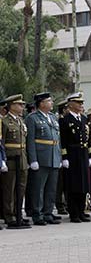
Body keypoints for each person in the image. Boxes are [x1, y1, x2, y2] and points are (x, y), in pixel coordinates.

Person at [25, 93, 62, 226]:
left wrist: (60, 157)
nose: (51, 103)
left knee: (51, 188)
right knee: (38, 188)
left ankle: (48, 212)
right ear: (41, 103)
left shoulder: (52, 117)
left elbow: (58, 139)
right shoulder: (32, 118)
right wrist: (33, 159)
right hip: (41, 157)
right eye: (49, 101)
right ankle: (37, 214)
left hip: (54, 156)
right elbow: (30, 141)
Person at [59, 92, 91, 224]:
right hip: (72, 153)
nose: (81, 105)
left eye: (81, 103)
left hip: (82, 153)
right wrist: (64, 156)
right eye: (78, 103)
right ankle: (74, 213)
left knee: (83, 184)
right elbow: (63, 140)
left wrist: (89, 155)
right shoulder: (65, 120)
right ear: (70, 104)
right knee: (73, 185)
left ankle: (82, 210)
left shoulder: (83, 119)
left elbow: (87, 139)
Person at [0, 95, 31, 227]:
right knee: (9, 189)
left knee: (20, 189)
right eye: (19, 104)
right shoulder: (4, 122)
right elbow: (2, 143)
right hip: (11, 159)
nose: (22, 107)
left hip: (22, 159)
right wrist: (3, 160)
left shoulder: (21, 121)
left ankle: (18, 214)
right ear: (11, 106)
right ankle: (9, 215)